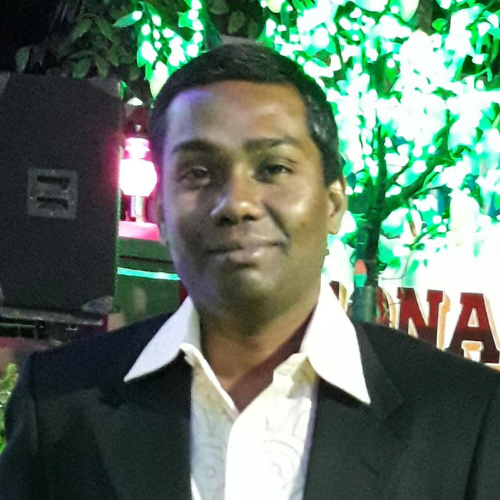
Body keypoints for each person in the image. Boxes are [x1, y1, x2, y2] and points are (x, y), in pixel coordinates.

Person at [1, 43, 499, 500]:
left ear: (333, 202)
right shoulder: (62, 403)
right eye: (199, 173)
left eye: (274, 168)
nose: (236, 203)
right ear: (160, 213)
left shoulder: (466, 416)